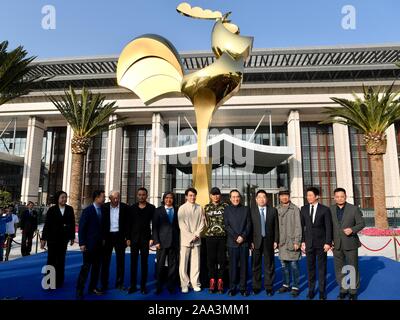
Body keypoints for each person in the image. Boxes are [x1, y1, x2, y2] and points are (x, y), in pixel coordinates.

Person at [330, 188, 365, 300]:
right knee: (339, 268)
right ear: (334, 197)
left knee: (352, 267)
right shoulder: (330, 209)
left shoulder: (353, 209)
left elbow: (361, 223)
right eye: (337, 196)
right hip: (336, 244)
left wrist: (352, 229)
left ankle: (353, 291)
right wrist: (329, 241)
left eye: (342, 196)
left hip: (351, 243)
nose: (340, 198)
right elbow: (328, 227)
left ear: (345, 196)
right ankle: (343, 289)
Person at [300, 187, 333, 300]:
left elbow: (329, 227)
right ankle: (311, 289)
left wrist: (328, 242)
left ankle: (322, 291)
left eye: (310, 195)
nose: (308, 197)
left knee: (322, 267)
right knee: (310, 268)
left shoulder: (325, 210)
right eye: (307, 195)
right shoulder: (303, 209)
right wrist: (302, 241)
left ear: (317, 196)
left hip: (321, 243)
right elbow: (301, 227)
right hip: (309, 243)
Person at [40, 191, 75, 288]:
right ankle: (49, 281)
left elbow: (72, 223)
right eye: (62, 197)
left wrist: (72, 237)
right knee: (51, 260)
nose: (64, 199)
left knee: (61, 260)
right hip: (52, 239)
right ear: (58, 198)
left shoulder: (69, 209)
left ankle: (59, 280)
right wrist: (43, 239)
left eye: (65, 197)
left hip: (63, 239)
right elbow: (47, 225)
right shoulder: (52, 210)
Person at [76, 190, 106, 299]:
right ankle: (79, 290)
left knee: (96, 268)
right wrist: (82, 243)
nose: (104, 198)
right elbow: (82, 228)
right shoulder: (87, 211)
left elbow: (103, 227)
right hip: (89, 245)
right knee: (86, 268)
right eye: (103, 196)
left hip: (99, 246)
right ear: (97, 198)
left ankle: (92, 287)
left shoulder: (103, 210)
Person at [127, 187, 155, 294]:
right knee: (133, 263)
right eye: (139, 194)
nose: (141, 196)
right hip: (133, 240)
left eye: (143, 194)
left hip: (146, 240)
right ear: (137, 195)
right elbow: (128, 224)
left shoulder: (152, 208)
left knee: (144, 263)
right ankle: (133, 286)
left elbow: (155, 224)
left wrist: (152, 238)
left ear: (146, 196)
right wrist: (128, 238)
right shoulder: (132, 208)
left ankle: (143, 286)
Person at [250, 189, 279, 296]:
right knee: (256, 265)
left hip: (269, 241)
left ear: (267, 199)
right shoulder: (251, 210)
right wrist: (250, 241)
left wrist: (276, 240)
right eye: (259, 197)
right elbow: (250, 227)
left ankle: (269, 287)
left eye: (264, 197)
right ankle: (256, 287)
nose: (262, 199)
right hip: (255, 242)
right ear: (256, 199)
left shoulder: (272, 210)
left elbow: (276, 227)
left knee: (269, 265)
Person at [224, 189, 252, 297]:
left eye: (237, 197)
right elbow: (227, 226)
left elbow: (249, 225)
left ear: (240, 198)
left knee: (244, 266)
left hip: (244, 243)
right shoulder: (227, 210)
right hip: (232, 243)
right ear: (230, 198)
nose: (236, 199)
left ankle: (243, 288)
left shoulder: (246, 209)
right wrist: (236, 237)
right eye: (233, 197)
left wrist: (243, 236)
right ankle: (232, 288)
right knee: (233, 267)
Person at [101, 190, 129, 291]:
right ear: (110, 198)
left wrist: (127, 238)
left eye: (118, 198)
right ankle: (104, 284)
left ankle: (120, 283)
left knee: (120, 261)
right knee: (105, 261)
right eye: (114, 198)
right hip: (107, 237)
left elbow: (128, 224)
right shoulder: (103, 207)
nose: (116, 200)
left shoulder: (125, 207)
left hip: (120, 237)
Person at [178, 187, 205, 293]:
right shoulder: (182, 208)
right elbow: (182, 225)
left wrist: (197, 234)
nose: (192, 197)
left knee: (196, 264)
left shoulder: (200, 208)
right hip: (185, 240)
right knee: (183, 263)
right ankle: (184, 284)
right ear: (186, 197)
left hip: (197, 240)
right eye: (190, 195)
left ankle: (195, 283)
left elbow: (202, 223)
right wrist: (191, 236)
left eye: (194, 195)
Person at [276, 188, 302, 297]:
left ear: (289, 196)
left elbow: (298, 226)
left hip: (292, 241)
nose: (284, 197)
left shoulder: (295, 209)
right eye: (282, 195)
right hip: (281, 242)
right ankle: (286, 284)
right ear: (279, 197)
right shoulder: (276, 209)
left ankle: (295, 286)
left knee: (294, 265)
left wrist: (297, 241)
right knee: (284, 266)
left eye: (286, 195)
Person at [152, 191, 180, 294]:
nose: (169, 200)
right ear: (164, 199)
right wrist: (156, 241)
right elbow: (154, 228)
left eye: (171, 198)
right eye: (167, 198)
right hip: (161, 243)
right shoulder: (158, 211)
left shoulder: (177, 210)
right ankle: (158, 285)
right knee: (160, 264)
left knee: (173, 265)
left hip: (174, 242)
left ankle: (170, 285)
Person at [204, 187, 228, 294]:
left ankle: (220, 282)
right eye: (213, 194)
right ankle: (212, 282)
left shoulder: (226, 206)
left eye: (217, 194)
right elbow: (203, 221)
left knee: (222, 261)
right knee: (211, 261)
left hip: (222, 237)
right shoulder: (206, 208)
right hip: (210, 237)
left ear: (220, 195)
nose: (215, 196)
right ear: (210, 196)